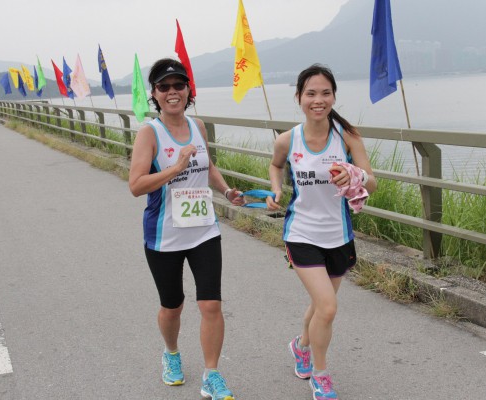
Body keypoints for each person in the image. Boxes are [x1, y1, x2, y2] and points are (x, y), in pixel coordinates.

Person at [128, 58, 243, 400]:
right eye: (164, 87)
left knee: (211, 305)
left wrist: (227, 191)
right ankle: (171, 353)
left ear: (188, 90)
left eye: (178, 85)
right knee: (172, 306)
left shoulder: (198, 126)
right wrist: (176, 167)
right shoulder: (150, 133)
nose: (172, 92)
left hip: (204, 230)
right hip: (164, 234)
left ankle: (212, 374)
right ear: (155, 94)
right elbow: (136, 185)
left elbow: (209, 166)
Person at [266, 64, 377, 400]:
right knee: (328, 307)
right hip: (301, 233)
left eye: (325, 93)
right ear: (299, 98)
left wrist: (355, 175)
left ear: (333, 97)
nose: (318, 100)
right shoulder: (288, 139)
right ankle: (321, 374)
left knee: (320, 305)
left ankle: (300, 346)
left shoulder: (348, 137)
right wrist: (276, 189)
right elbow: (275, 165)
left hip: (338, 235)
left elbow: (372, 181)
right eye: (311, 93)